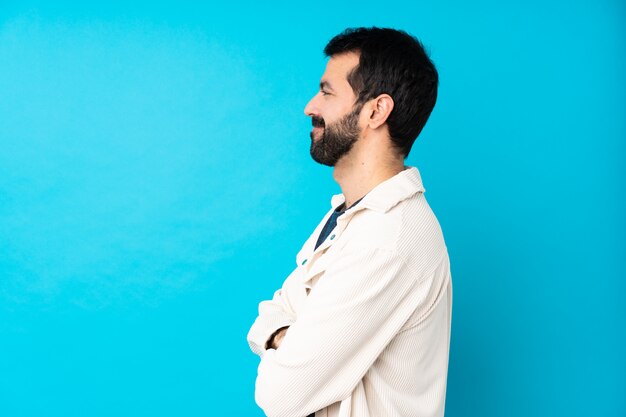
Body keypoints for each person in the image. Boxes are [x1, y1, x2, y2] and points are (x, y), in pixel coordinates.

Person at [246, 27, 452, 417]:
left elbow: (280, 396)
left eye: (327, 92)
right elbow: (269, 313)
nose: (310, 106)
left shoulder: (388, 238)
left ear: (376, 111)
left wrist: (291, 337)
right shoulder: (348, 216)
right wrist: (284, 335)